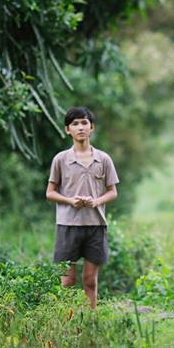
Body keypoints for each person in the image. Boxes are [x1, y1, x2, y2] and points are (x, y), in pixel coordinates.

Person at [46, 106, 119, 309]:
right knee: (67, 281)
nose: (80, 128)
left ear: (92, 127)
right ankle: (65, 322)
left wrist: (97, 201)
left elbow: (113, 192)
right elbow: (50, 192)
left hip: (95, 225)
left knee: (90, 280)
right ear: (67, 130)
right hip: (67, 225)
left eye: (84, 123)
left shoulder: (103, 159)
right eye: (75, 124)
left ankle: (90, 321)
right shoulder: (60, 159)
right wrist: (70, 201)